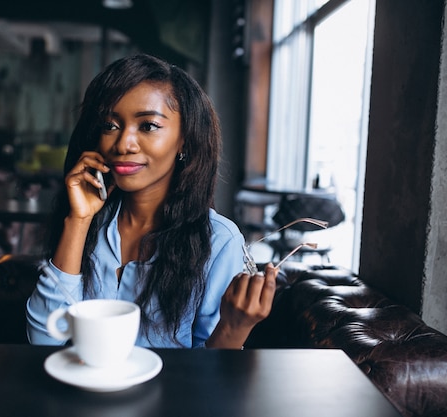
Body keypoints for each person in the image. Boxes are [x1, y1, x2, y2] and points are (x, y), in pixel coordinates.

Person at [26, 54, 276, 349]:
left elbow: (211, 380)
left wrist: (236, 326)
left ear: (184, 139)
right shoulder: (88, 222)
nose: (123, 144)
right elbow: (45, 340)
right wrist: (78, 221)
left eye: (148, 126)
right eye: (110, 125)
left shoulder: (219, 241)